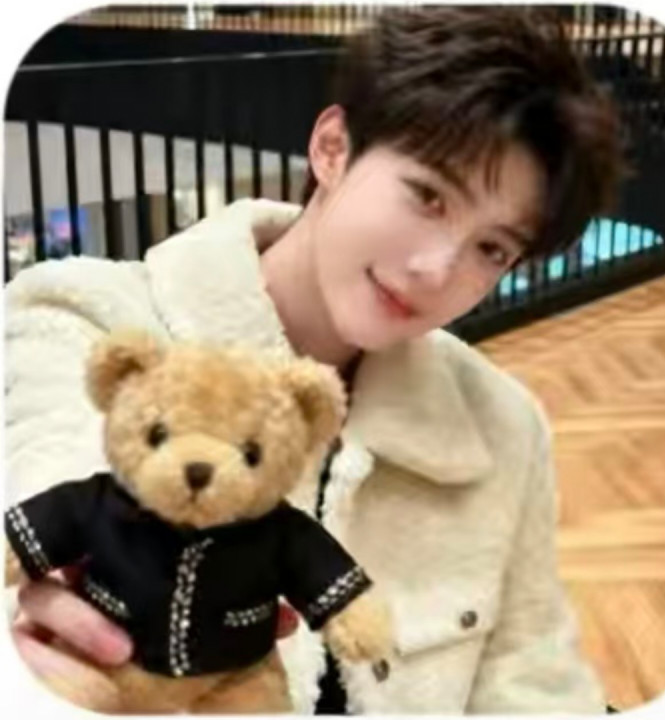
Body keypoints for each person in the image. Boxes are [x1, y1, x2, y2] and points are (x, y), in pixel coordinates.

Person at [4, 6, 624, 714]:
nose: (435, 270)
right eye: (427, 195)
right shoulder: (80, 321)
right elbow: (47, 488)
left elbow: (534, 674)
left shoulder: (503, 424)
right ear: (332, 148)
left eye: (491, 248)